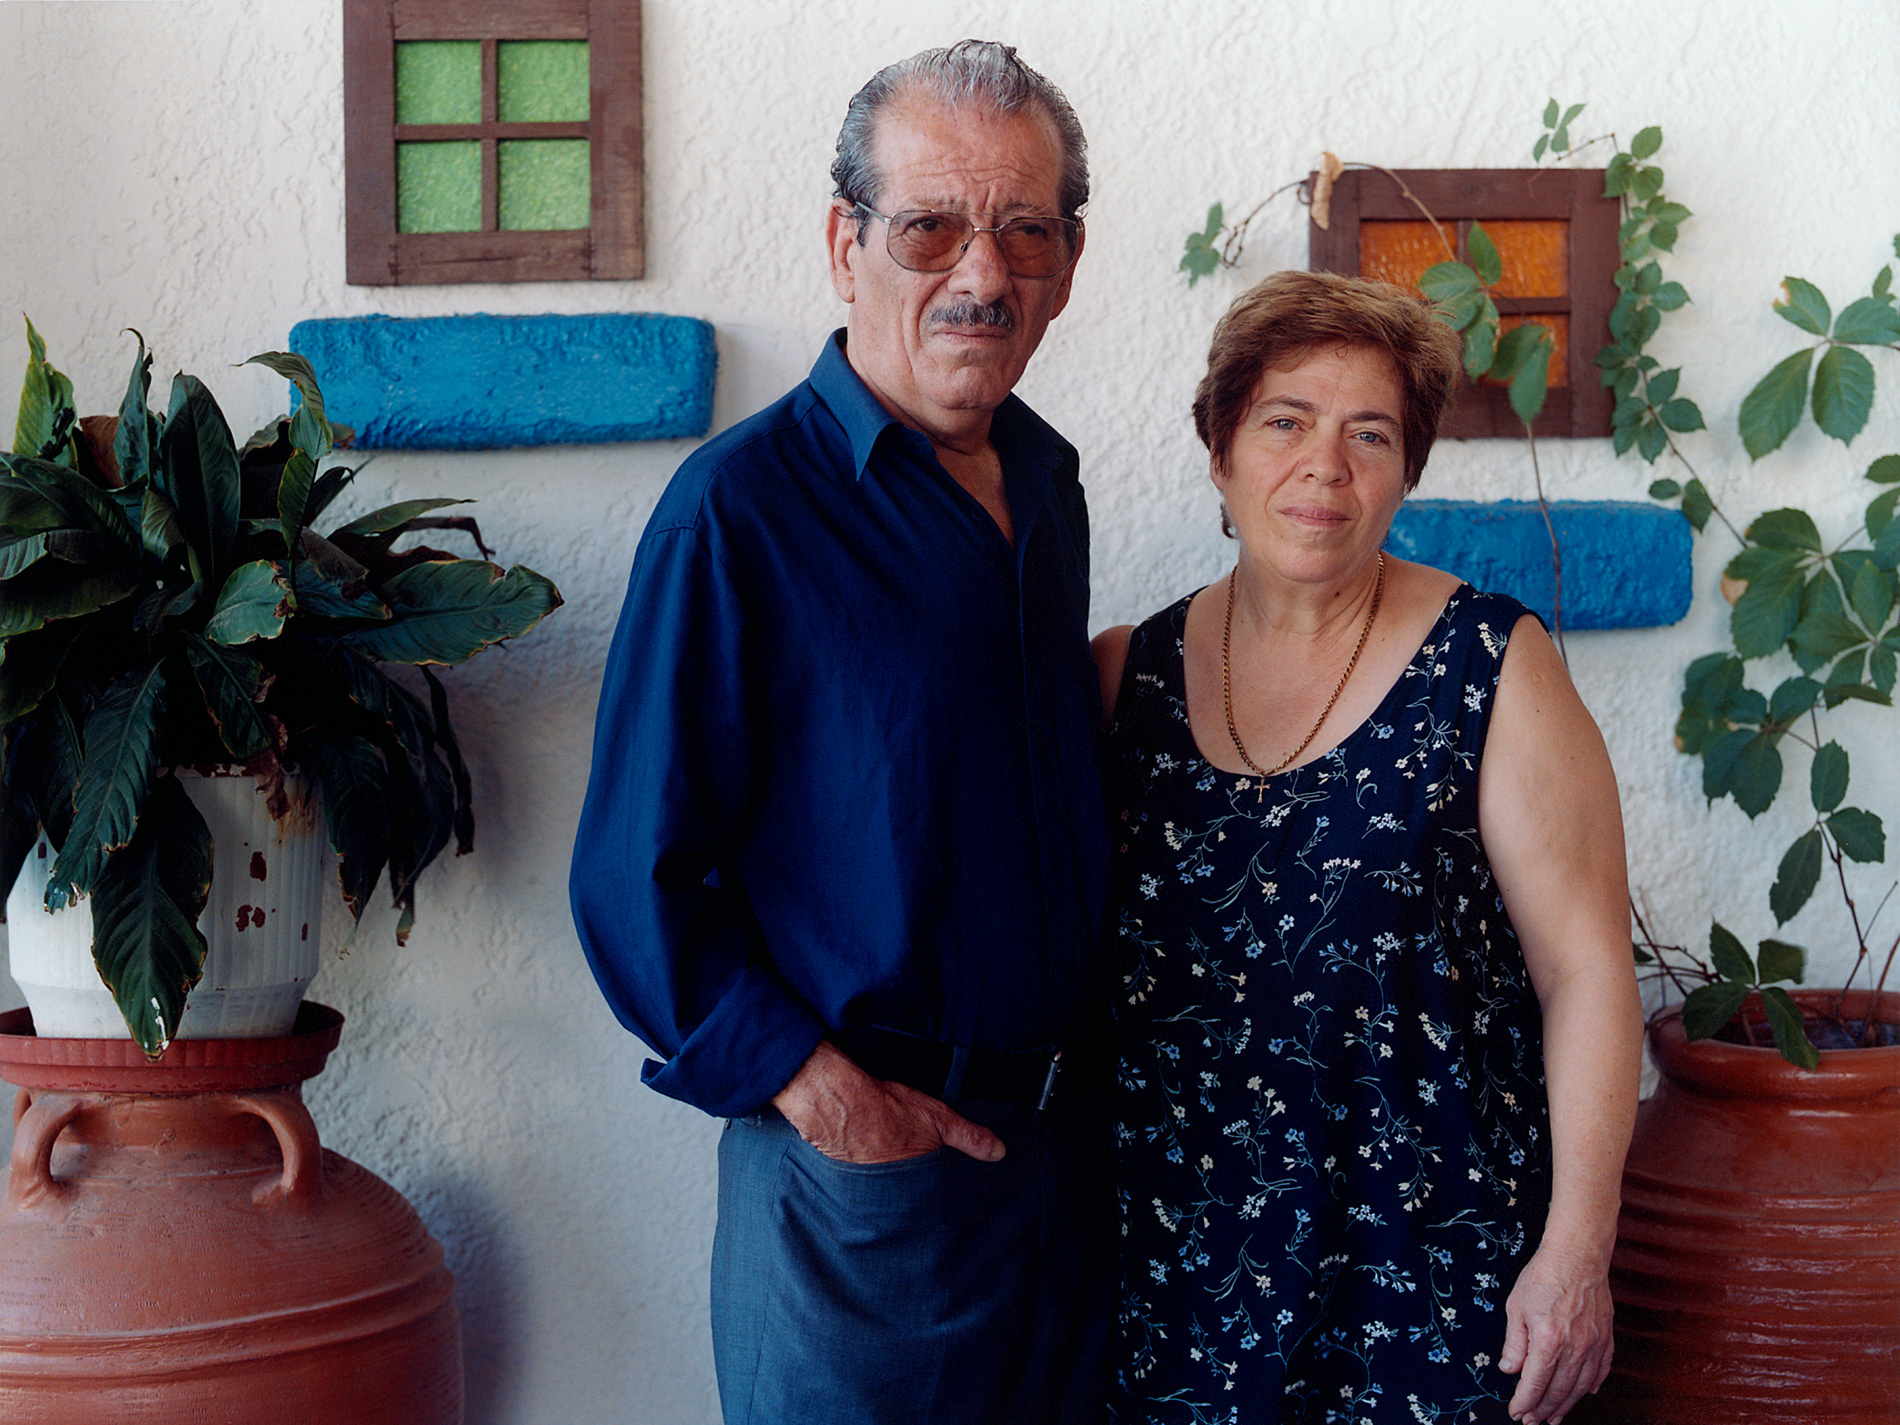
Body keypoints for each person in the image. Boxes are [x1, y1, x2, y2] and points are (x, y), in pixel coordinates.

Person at [570, 40, 1113, 1425]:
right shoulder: (738, 511)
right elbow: (632, 877)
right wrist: (830, 1103)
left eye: (1026, 230)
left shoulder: (1049, 491)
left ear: (1067, 261)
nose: (983, 275)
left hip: (1057, 1181)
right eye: (930, 226)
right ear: (843, 244)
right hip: (863, 1195)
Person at [1093, 270, 1644, 1425]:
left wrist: (1575, 1256)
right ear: (1219, 448)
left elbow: (1587, 972)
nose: (1324, 466)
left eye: (1370, 434)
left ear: (1407, 469)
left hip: (1431, 1271)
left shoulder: (1490, 666)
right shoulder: (1120, 678)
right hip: (1176, 1276)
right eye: (1285, 421)